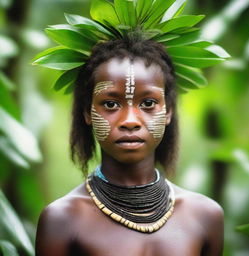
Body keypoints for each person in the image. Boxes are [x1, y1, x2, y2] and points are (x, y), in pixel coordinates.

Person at [34, 1, 226, 255]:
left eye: (148, 103)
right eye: (111, 104)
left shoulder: (206, 215)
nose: (130, 120)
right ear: (87, 113)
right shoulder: (62, 220)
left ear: (168, 112)